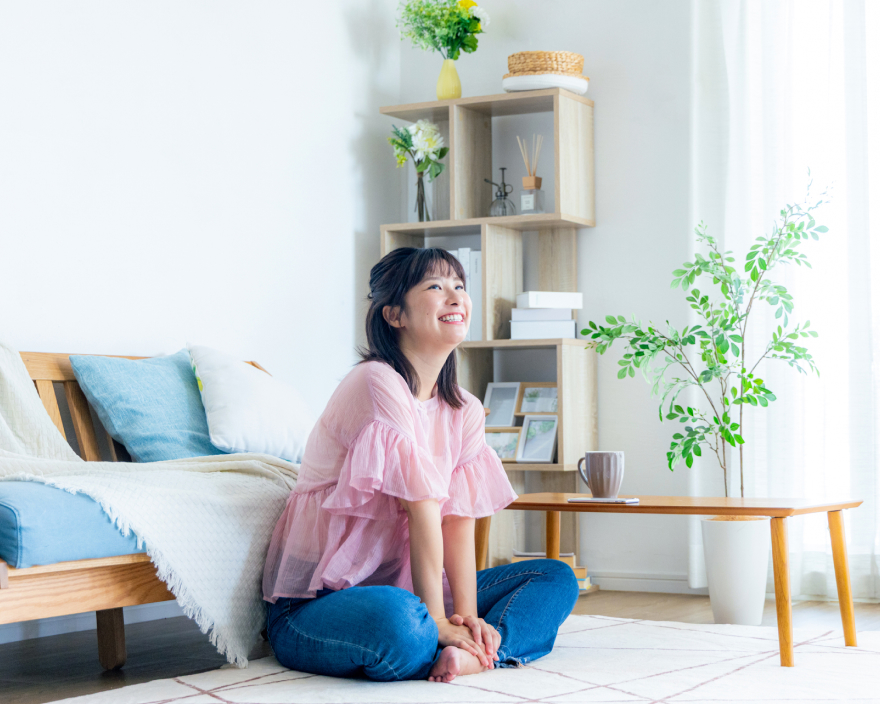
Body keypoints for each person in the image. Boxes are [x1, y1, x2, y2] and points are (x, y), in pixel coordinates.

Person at [262, 247, 579, 682]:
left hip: (411, 592)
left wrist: (464, 620)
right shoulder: (376, 381)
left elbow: (457, 520)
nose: (455, 297)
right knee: (401, 622)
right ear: (395, 315)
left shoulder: (464, 408)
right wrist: (436, 618)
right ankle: (450, 643)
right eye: (435, 286)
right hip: (321, 605)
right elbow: (423, 506)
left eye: (459, 286)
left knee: (554, 576)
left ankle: (474, 654)